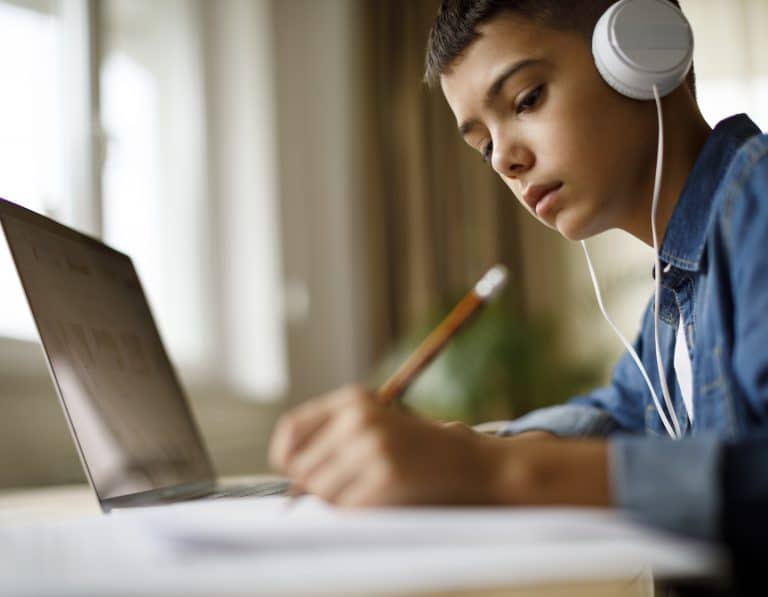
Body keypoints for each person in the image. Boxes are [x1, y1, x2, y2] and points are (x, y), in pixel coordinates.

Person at [268, 0, 768, 545]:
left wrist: (491, 472)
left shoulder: (757, 207)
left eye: (526, 99)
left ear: (645, 50)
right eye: (484, 147)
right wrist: (472, 450)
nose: (504, 159)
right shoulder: (679, 290)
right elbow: (617, 414)